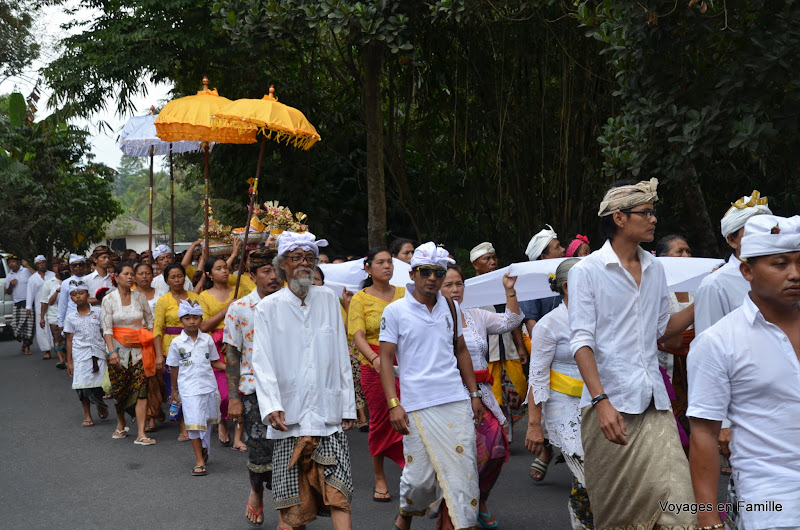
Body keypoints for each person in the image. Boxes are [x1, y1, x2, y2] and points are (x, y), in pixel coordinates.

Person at [569, 178, 696, 529]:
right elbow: (581, 341)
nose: (654, 219)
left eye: (653, 212)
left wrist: (705, 298)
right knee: (618, 516)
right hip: (608, 407)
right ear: (619, 218)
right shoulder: (587, 271)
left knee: (680, 506)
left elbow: (661, 330)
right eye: (646, 212)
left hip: (654, 402)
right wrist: (601, 400)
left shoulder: (656, 268)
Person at [688, 214, 800, 530]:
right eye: (780, 264)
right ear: (747, 271)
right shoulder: (718, 342)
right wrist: (709, 519)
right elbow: (705, 433)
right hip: (772, 505)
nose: (794, 274)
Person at [251, 231, 356, 529]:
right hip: (289, 416)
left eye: (309, 258)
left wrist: (347, 404)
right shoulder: (268, 308)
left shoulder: (328, 300)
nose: (304, 264)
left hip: (328, 413)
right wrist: (271, 405)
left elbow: (340, 353)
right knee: (292, 503)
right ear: (282, 264)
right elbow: (262, 361)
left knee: (340, 490)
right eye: (297, 258)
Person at [379, 242, 483, 530]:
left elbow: (461, 350)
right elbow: (386, 359)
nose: (432, 278)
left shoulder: (451, 306)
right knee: (419, 480)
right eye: (425, 272)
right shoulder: (395, 311)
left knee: (464, 472)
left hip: (454, 399)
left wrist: (474, 394)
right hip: (415, 404)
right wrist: (393, 404)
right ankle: (407, 512)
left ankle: (465, 524)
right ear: (413, 274)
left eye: (438, 273)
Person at [441, 264, 522, 529]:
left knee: (496, 448)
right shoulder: (431, 320)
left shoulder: (476, 315)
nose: (455, 290)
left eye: (459, 284)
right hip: (450, 394)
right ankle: (458, 505)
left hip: (482, 393)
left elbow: (511, 321)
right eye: (448, 285)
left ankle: (479, 499)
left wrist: (509, 291)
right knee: (468, 453)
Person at [524, 258, 593, 529]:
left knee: (601, 473)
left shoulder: (600, 316)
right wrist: (533, 426)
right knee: (586, 472)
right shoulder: (547, 325)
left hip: (598, 402)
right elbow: (537, 376)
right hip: (562, 405)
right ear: (567, 286)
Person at [224, 248, 289, 527]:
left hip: (290, 389)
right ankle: (256, 491)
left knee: (290, 452)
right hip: (253, 390)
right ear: (251, 276)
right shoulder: (239, 309)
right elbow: (232, 354)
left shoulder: (293, 304)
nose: (274, 277)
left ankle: (288, 511)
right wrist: (234, 398)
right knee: (260, 453)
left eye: (277, 271)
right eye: (266, 271)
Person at [348, 248, 406, 504]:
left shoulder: (406, 294)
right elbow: (357, 335)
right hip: (373, 367)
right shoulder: (360, 299)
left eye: (389, 262)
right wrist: (374, 360)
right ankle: (380, 476)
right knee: (382, 420)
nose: (387, 267)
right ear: (368, 268)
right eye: (380, 263)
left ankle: (414, 471)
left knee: (413, 417)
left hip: (405, 363)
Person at [470, 242, 529, 438]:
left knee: (519, 388)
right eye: (487, 259)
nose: (493, 262)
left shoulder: (504, 285)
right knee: (493, 394)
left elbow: (511, 319)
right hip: (486, 353)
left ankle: (504, 429)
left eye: (494, 257)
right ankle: (498, 434)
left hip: (508, 349)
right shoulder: (469, 289)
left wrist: (521, 347)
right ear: (475, 264)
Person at [520, 228, 566, 480]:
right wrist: (551, 344)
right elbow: (531, 324)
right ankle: (546, 451)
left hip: (573, 352)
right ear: (543, 257)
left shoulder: (568, 275)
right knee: (544, 400)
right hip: (547, 350)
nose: (562, 250)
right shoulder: (531, 283)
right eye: (558, 247)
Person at [101, 262, 156, 445]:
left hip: (140, 351)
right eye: (126, 274)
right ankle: (121, 422)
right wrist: (111, 352)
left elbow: (150, 321)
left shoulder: (140, 298)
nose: (131, 277)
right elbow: (107, 329)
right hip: (117, 351)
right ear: (116, 277)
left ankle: (141, 433)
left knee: (141, 390)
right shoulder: (108, 300)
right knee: (120, 390)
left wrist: (143, 336)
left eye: (132, 274)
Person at [168, 299, 224, 476]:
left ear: (201, 319)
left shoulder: (207, 339)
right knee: (193, 424)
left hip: (208, 386)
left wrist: (231, 368)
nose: (191, 321)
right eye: (187, 318)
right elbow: (174, 367)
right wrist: (174, 390)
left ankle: (204, 448)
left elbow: (214, 361)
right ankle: (199, 460)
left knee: (206, 423)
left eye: (195, 318)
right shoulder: (177, 343)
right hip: (188, 388)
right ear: (181, 321)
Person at [655, 235, 695, 452]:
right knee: (673, 424)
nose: (686, 255)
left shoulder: (697, 286)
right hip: (668, 363)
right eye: (679, 251)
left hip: (695, 364)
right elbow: (670, 340)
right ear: (663, 258)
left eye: (688, 251)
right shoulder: (659, 290)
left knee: (697, 421)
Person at [153, 263, 199, 442]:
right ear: (167, 280)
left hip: (193, 343)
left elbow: (200, 321)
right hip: (170, 346)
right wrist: (158, 355)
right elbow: (157, 329)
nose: (177, 280)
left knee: (194, 383)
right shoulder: (163, 301)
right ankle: (182, 424)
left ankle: (196, 420)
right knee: (175, 385)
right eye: (172, 277)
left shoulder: (195, 297)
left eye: (180, 276)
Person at [197, 256, 236, 446]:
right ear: (209, 274)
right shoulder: (204, 297)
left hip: (237, 340)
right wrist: (225, 311)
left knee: (239, 386)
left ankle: (238, 425)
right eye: (219, 268)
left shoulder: (238, 290)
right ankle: (222, 420)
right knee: (223, 391)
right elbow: (202, 326)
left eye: (226, 267)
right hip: (215, 344)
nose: (224, 271)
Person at [64, 280, 110, 427]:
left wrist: (110, 352)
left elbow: (105, 333)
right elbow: (69, 340)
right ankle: (87, 415)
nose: (78, 297)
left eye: (81, 293)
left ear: (87, 295)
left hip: (98, 352)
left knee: (99, 385)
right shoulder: (71, 317)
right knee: (82, 387)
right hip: (80, 355)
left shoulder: (98, 312)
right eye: (74, 295)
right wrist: (69, 361)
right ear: (71, 298)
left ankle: (100, 403)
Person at [133, 262, 164, 432]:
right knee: (142, 381)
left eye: (147, 273)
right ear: (135, 276)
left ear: (153, 275)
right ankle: (148, 416)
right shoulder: (130, 296)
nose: (144, 277)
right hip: (137, 343)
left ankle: (155, 412)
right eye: (140, 273)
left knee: (156, 381)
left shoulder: (161, 294)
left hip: (157, 340)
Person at [26, 255, 55, 359]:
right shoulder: (32, 279)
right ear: (36, 265)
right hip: (39, 307)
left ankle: (59, 348)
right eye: (39, 263)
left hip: (53, 305)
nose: (42, 264)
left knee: (55, 326)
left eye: (43, 262)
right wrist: (28, 307)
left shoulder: (53, 275)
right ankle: (47, 350)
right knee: (42, 328)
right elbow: (30, 293)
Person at [42, 263, 69, 368]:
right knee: (57, 339)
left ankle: (67, 359)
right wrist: (58, 291)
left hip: (68, 317)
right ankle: (61, 360)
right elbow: (49, 302)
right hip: (55, 316)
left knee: (68, 339)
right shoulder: (55, 286)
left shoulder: (72, 284)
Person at [6, 254, 34, 355]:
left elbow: (36, 277)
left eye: (13, 262)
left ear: (18, 262)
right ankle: (24, 343)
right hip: (16, 303)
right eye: (9, 263)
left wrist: (28, 266)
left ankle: (27, 347)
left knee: (28, 326)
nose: (11, 264)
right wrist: (10, 285)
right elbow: (8, 292)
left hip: (28, 302)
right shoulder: (9, 275)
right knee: (16, 326)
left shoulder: (26, 271)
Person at [57, 254, 90, 332]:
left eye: (80, 264)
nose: (78, 267)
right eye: (75, 265)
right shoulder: (65, 283)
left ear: (85, 266)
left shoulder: (90, 279)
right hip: (71, 318)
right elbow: (63, 304)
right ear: (71, 268)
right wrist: (60, 322)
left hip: (89, 317)